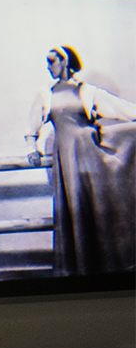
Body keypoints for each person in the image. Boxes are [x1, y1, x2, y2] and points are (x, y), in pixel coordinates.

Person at [23, 45, 136, 277]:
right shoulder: (46, 93)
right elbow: (33, 123)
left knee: (98, 208)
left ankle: (107, 267)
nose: (48, 66)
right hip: (67, 157)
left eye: (52, 61)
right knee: (74, 209)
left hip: (92, 158)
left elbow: (122, 109)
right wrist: (31, 146)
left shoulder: (88, 91)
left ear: (64, 61)